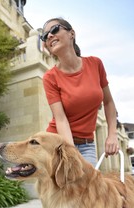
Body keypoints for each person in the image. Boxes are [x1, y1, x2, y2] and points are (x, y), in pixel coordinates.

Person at [40, 17, 119, 166]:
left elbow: (108, 102)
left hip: (86, 144)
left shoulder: (95, 64)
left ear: (72, 34)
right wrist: (71, 154)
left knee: (88, 187)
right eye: (45, 36)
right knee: (63, 188)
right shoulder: (50, 77)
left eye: (54, 29)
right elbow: (60, 119)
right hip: (57, 142)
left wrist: (112, 134)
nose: (49, 35)